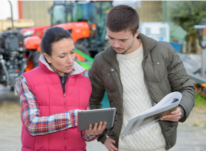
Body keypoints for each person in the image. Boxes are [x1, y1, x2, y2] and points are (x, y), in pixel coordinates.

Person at [88, 5, 195, 151]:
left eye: (122, 40)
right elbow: (93, 102)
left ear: (136, 32)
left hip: (159, 145)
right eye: (111, 38)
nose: (115, 44)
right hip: (122, 147)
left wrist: (181, 109)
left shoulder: (163, 51)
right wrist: (103, 137)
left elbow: (186, 88)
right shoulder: (101, 61)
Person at [16, 27, 106, 151]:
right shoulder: (27, 80)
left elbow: (84, 134)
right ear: (47, 57)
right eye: (62, 56)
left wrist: (92, 132)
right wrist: (74, 117)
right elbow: (32, 125)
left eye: (72, 52)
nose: (70, 60)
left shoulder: (85, 82)